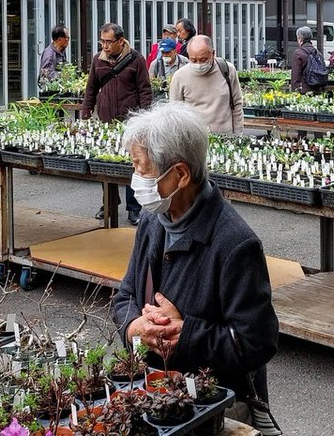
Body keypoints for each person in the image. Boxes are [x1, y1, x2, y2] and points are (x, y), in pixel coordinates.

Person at [112, 101, 281, 436]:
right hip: (159, 391)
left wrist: (184, 333)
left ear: (180, 174)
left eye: (143, 169)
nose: (136, 180)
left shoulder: (235, 243)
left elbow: (256, 343)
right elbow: (126, 296)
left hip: (212, 401)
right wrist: (136, 327)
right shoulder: (152, 219)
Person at [82, 22, 153, 225]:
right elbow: (91, 88)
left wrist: (144, 118)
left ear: (121, 41)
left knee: (133, 165)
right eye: (102, 41)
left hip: (130, 121)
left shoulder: (136, 60)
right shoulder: (98, 60)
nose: (104, 46)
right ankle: (109, 203)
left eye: (109, 42)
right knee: (105, 164)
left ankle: (134, 208)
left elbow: (145, 90)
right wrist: (87, 110)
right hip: (106, 120)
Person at [168, 35, 244, 135]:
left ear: (213, 53)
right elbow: (175, 114)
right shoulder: (180, 76)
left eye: (203, 60)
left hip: (225, 137)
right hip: (195, 140)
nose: (199, 64)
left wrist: (238, 135)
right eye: (193, 60)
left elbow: (237, 104)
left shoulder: (227, 70)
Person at [289, 26, 326, 94]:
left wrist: (295, 91)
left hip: (305, 90)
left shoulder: (298, 53)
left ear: (300, 38)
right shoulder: (317, 52)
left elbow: (295, 75)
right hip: (318, 89)